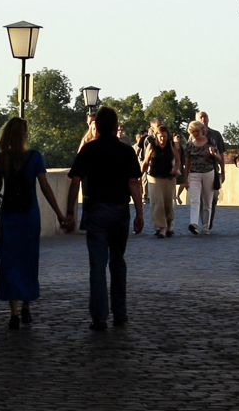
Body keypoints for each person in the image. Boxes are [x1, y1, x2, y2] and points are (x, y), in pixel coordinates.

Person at [63, 106, 144, 330]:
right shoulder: (126, 151)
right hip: (120, 211)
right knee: (118, 262)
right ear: (116, 126)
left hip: (96, 210)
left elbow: (75, 181)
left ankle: (99, 317)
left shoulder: (88, 150)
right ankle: (120, 313)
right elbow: (134, 183)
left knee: (97, 266)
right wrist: (139, 213)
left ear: (96, 126)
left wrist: (70, 213)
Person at [0, 117, 72, 327]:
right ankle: (27, 305)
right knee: (28, 258)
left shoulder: (1, 158)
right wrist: (59, 213)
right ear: (24, 135)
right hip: (29, 215)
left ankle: (14, 312)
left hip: (8, 215)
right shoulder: (34, 157)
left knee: (9, 261)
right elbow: (45, 187)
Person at [140, 120, 181, 238]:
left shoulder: (172, 145)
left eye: (164, 136)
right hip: (154, 177)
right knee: (158, 203)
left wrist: (175, 167)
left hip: (169, 178)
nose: (162, 139)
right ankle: (161, 228)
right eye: (160, 137)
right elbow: (145, 162)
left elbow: (178, 161)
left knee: (168, 203)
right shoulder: (152, 145)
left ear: (167, 136)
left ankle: (169, 225)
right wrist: (139, 176)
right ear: (156, 136)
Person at [181, 120, 220, 235]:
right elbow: (187, 163)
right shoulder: (189, 145)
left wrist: (213, 153)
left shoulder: (210, 142)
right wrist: (186, 179)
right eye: (193, 131)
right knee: (195, 200)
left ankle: (206, 226)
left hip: (209, 173)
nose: (195, 133)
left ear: (202, 131)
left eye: (197, 131)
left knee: (207, 201)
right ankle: (193, 223)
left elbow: (219, 158)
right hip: (194, 174)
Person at [197, 111, 225, 230]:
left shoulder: (216, 135)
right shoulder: (193, 135)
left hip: (213, 170)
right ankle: (204, 222)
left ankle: (208, 222)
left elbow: (222, 154)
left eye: (205, 117)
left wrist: (223, 171)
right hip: (197, 171)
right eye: (200, 117)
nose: (203, 119)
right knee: (200, 199)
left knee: (213, 198)